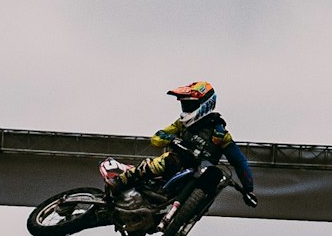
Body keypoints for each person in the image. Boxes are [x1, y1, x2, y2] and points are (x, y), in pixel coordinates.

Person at [101, 81, 257, 210]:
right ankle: (120, 182)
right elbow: (156, 138)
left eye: (189, 105)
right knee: (163, 162)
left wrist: (248, 190)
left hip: (201, 173)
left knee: (208, 198)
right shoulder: (181, 124)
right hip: (176, 163)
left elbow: (239, 160)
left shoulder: (221, 134)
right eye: (184, 105)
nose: (185, 109)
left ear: (205, 104)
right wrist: (171, 139)